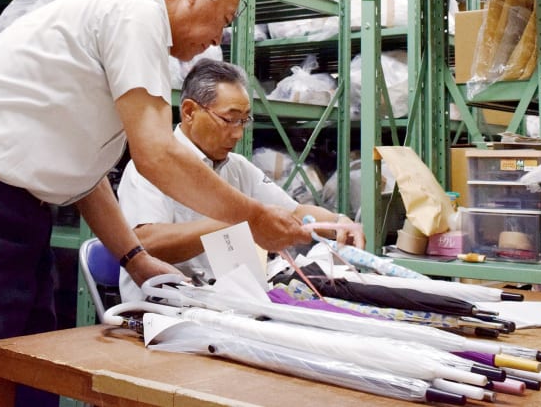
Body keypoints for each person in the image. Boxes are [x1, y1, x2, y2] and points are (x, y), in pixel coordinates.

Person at [0, 0, 311, 407]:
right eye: (223, 19)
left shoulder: (133, 31)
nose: (217, 39)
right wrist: (249, 218)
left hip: (12, 206)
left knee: (23, 368)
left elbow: (85, 170)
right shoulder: (134, 12)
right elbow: (156, 155)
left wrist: (135, 259)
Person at [118, 58, 365, 303]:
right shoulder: (151, 167)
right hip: (162, 310)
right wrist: (240, 219)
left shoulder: (237, 168)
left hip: (222, 304)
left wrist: (338, 224)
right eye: (229, 119)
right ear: (190, 111)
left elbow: (295, 211)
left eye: (244, 120)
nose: (238, 133)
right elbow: (145, 243)